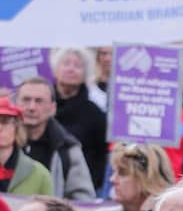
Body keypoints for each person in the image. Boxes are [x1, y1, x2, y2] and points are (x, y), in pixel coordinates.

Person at [16, 78, 94, 200]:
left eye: (39, 101)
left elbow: (83, 200)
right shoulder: (4, 143)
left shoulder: (67, 149)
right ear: (15, 104)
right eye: (26, 100)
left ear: (53, 108)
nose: (31, 107)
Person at [51, 48, 107, 191]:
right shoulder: (41, 104)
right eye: (66, 63)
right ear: (56, 69)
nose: (71, 69)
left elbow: (101, 156)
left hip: (81, 187)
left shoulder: (95, 113)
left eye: (77, 65)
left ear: (85, 74)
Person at [0, 96, 54, 195]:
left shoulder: (39, 174)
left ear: (16, 127)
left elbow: (49, 210)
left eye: (5, 121)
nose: (0, 128)